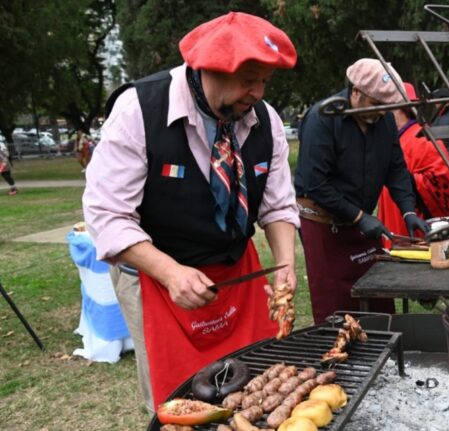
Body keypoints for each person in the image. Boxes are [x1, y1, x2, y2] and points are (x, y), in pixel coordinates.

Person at [83, 12, 299, 410]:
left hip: (239, 272)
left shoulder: (265, 120)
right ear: (207, 67)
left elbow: (278, 203)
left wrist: (285, 263)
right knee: (176, 399)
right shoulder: (138, 110)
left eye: (265, 80)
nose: (257, 92)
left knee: (256, 385)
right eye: (248, 78)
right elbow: (108, 216)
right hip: (155, 278)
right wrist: (170, 273)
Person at [294, 59, 429, 324]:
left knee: (378, 299)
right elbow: (315, 183)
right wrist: (359, 217)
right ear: (355, 91)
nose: (380, 112)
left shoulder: (385, 121)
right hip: (324, 226)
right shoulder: (322, 117)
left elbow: (396, 169)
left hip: (361, 225)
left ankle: (384, 353)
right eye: (375, 104)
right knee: (337, 310)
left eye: (385, 106)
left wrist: (408, 210)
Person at [377, 82, 449, 248]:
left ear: (401, 107)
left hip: (416, 226)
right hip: (393, 218)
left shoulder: (423, 138)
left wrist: (406, 181)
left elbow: (444, 183)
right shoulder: (392, 138)